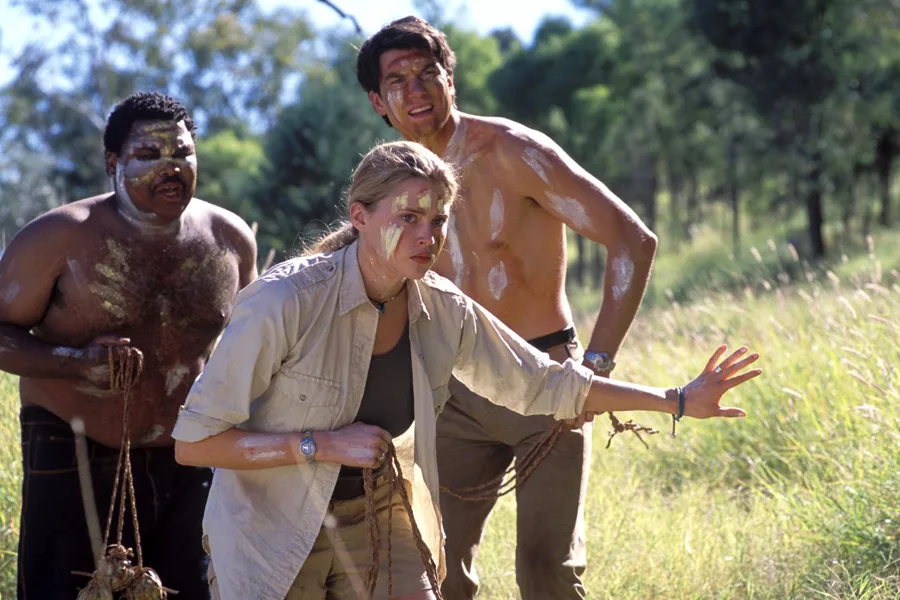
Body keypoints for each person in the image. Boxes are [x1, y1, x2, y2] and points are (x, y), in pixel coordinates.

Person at [172, 140, 760, 600]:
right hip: (271, 529)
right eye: (409, 217)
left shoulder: (442, 308)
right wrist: (320, 444)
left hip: (378, 515)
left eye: (439, 219)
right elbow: (195, 444)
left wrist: (676, 399)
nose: (428, 236)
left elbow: (544, 383)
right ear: (361, 216)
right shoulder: (284, 301)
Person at [356, 16, 660, 599]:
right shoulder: (386, 184)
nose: (416, 90)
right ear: (377, 101)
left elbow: (633, 240)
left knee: (547, 573)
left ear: (451, 79)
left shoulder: (514, 151)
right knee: (432, 570)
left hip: (545, 381)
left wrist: (593, 368)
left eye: (427, 73)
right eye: (397, 81)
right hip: (449, 393)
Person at [0, 91, 258, 599]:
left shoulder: (229, 240)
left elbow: (256, 344)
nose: (171, 167)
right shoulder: (59, 237)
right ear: (113, 163)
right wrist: (77, 363)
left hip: (189, 452)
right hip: (74, 448)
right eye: (148, 154)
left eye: (182, 153)